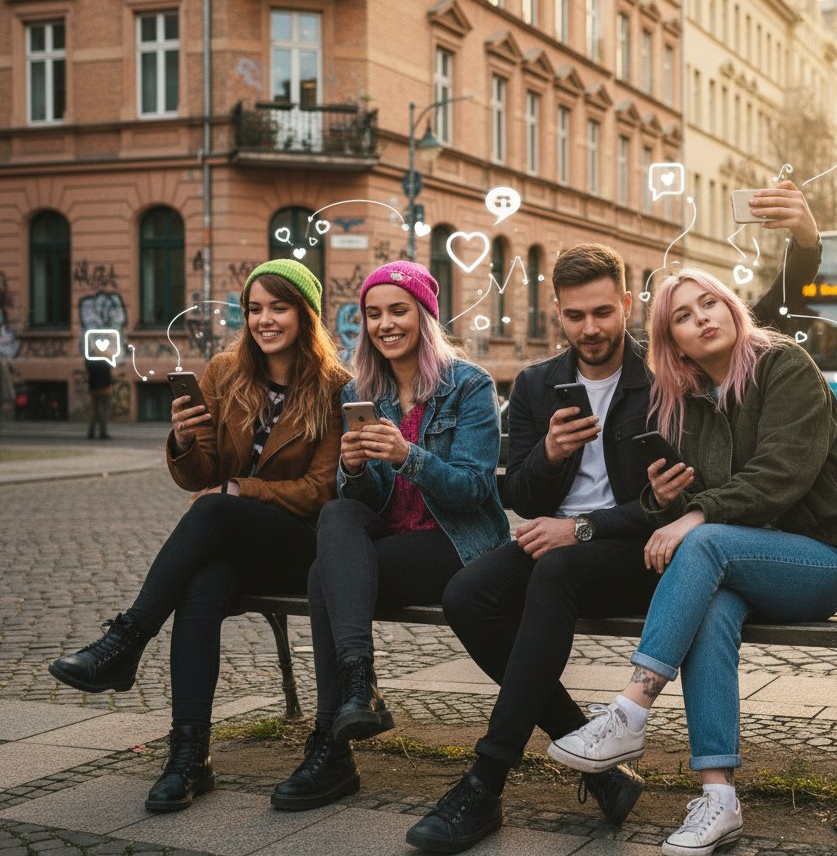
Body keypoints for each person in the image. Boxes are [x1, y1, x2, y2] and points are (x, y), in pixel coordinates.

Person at [406, 183, 824, 853]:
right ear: (559, 314)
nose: (591, 328)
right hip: (564, 540)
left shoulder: (667, 373)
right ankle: (602, 771)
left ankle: (485, 781)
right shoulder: (539, 385)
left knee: (558, 569)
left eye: (604, 312)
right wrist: (547, 454)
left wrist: (804, 243)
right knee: (468, 594)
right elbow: (526, 497)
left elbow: (758, 325)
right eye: (576, 316)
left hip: (638, 548)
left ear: (626, 306)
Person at [546, 267, 837, 856]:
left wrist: (696, 518)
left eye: (709, 303)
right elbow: (692, 500)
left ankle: (630, 710)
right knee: (711, 609)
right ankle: (718, 798)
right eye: (683, 317)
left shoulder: (785, 367)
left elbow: (780, 475)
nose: (702, 320)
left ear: (733, 309)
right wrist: (663, 501)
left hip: (814, 564)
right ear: (674, 341)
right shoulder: (685, 400)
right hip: (736, 570)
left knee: (706, 542)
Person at [49, 259, 347, 812]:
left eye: (278, 308)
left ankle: (126, 640)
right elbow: (201, 475)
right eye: (254, 308)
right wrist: (185, 441)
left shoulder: (333, 388)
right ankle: (189, 756)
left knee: (212, 512)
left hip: (302, 546)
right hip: (233, 540)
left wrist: (239, 491)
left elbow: (322, 490)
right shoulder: (224, 373)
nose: (264, 320)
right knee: (201, 587)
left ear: (305, 315)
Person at [270, 261, 509, 812]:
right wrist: (354, 469)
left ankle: (332, 741)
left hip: (457, 544)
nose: (385, 324)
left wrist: (410, 457)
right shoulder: (361, 390)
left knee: (323, 575)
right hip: (393, 538)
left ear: (424, 316)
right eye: (372, 314)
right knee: (336, 519)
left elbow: (473, 491)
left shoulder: (467, 385)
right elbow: (365, 502)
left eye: (398, 311)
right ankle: (358, 686)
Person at [86, 355, 113, 440]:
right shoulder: (106, 359)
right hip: (105, 388)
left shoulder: (90, 359)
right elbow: (111, 367)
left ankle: (91, 432)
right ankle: (103, 433)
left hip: (93, 388)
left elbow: (88, 368)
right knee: (104, 412)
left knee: (94, 411)